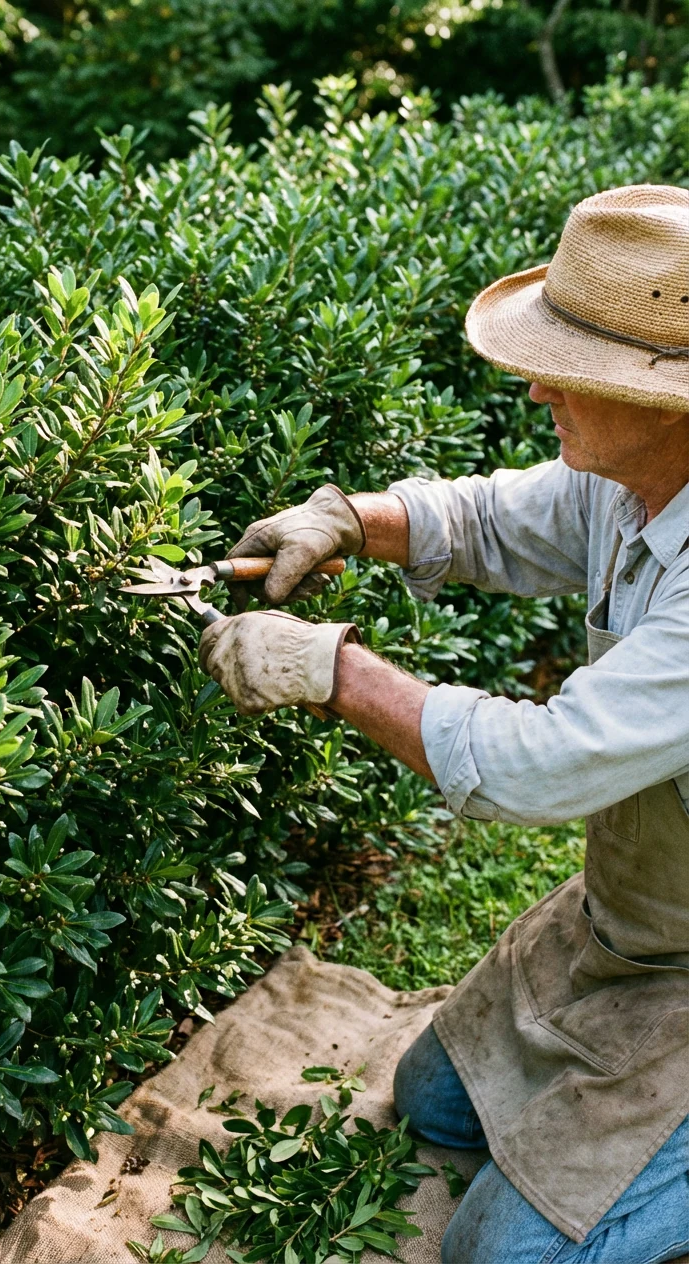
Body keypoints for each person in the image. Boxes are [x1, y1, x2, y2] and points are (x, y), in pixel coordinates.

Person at [198, 185, 689, 1264]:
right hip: (642, 925)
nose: (530, 385)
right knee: (431, 1103)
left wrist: (335, 671)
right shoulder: (634, 478)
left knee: (496, 1254)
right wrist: (344, 520)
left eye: (566, 368)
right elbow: (488, 519)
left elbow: (541, 766)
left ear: (664, 399)